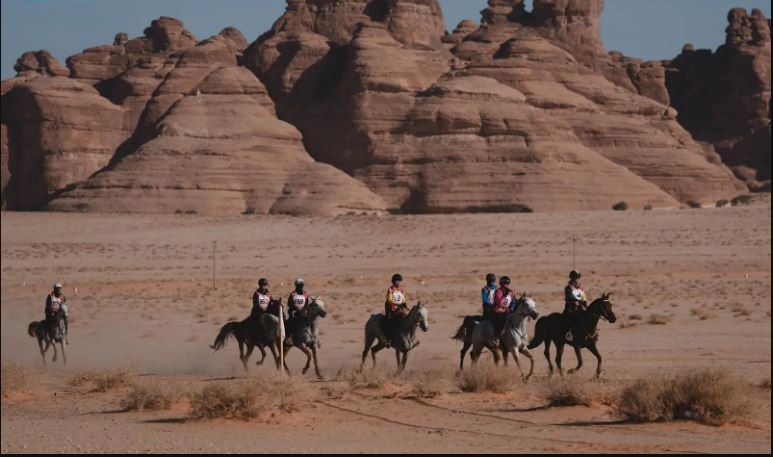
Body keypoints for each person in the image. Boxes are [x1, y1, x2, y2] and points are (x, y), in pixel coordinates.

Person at [383, 273, 407, 348]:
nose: (398, 282)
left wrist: (404, 304)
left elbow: (403, 299)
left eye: (399, 281)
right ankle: (388, 339)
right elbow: (389, 299)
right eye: (397, 281)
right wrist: (396, 303)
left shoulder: (401, 290)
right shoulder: (390, 289)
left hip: (400, 309)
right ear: (393, 282)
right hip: (392, 309)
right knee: (390, 322)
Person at [563, 271, 587, 342]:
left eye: (577, 278)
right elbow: (570, 297)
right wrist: (578, 300)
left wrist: (584, 301)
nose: (577, 279)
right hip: (571, 307)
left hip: (581, 306)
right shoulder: (568, 287)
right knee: (572, 318)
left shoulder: (580, 287)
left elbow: (583, 296)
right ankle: (569, 333)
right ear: (572, 278)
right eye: (576, 278)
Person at [285, 278, 310, 344]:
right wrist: (296, 308)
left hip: (303, 312)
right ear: (296, 285)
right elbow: (289, 303)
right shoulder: (292, 294)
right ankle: (289, 337)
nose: (300, 287)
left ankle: (310, 335)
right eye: (298, 285)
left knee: (308, 320)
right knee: (291, 322)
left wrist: (304, 309)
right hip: (294, 312)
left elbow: (307, 303)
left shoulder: (305, 294)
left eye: (301, 285)